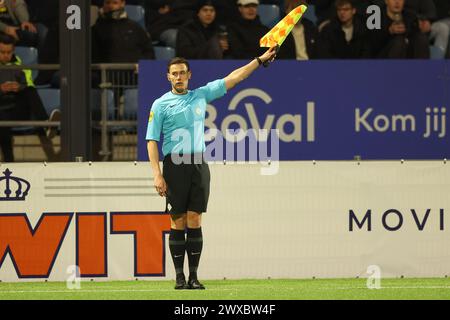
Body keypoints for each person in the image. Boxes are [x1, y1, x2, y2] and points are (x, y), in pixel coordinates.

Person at [146, 46, 277, 290]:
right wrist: (157, 174)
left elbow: (235, 77)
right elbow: (152, 140)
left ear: (189, 75)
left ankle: (194, 277)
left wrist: (259, 60)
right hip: (174, 165)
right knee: (178, 220)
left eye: (182, 73)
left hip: (198, 163)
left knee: (195, 219)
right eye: (174, 73)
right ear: (168, 77)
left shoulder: (201, 95)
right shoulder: (160, 104)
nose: (178, 77)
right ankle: (179, 277)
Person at [0, 34, 59, 162]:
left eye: (8, 52)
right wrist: (1, 89)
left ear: (13, 51)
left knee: (30, 90)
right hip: (1, 108)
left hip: (16, 107)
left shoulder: (19, 65)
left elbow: (29, 84)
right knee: (2, 123)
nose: (6, 55)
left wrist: (19, 87)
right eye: (2, 52)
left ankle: (45, 123)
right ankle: (10, 163)